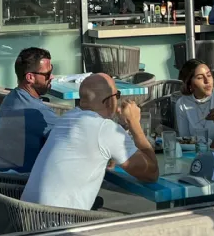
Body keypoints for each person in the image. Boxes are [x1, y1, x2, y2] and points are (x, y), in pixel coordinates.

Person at [22, 73, 158, 210]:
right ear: (110, 101)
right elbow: (151, 173)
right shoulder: (105, 129)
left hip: (27, 217)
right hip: (61, 225)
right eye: (117, 95)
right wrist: (134, 123)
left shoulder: (66, 118)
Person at [0, 48, 59, 172]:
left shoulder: (10, 100)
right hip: (25, 183)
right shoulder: (38, 113)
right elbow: (72, 141)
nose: (52, 76)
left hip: (4, 178)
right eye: (47, 74)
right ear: (30, 77)